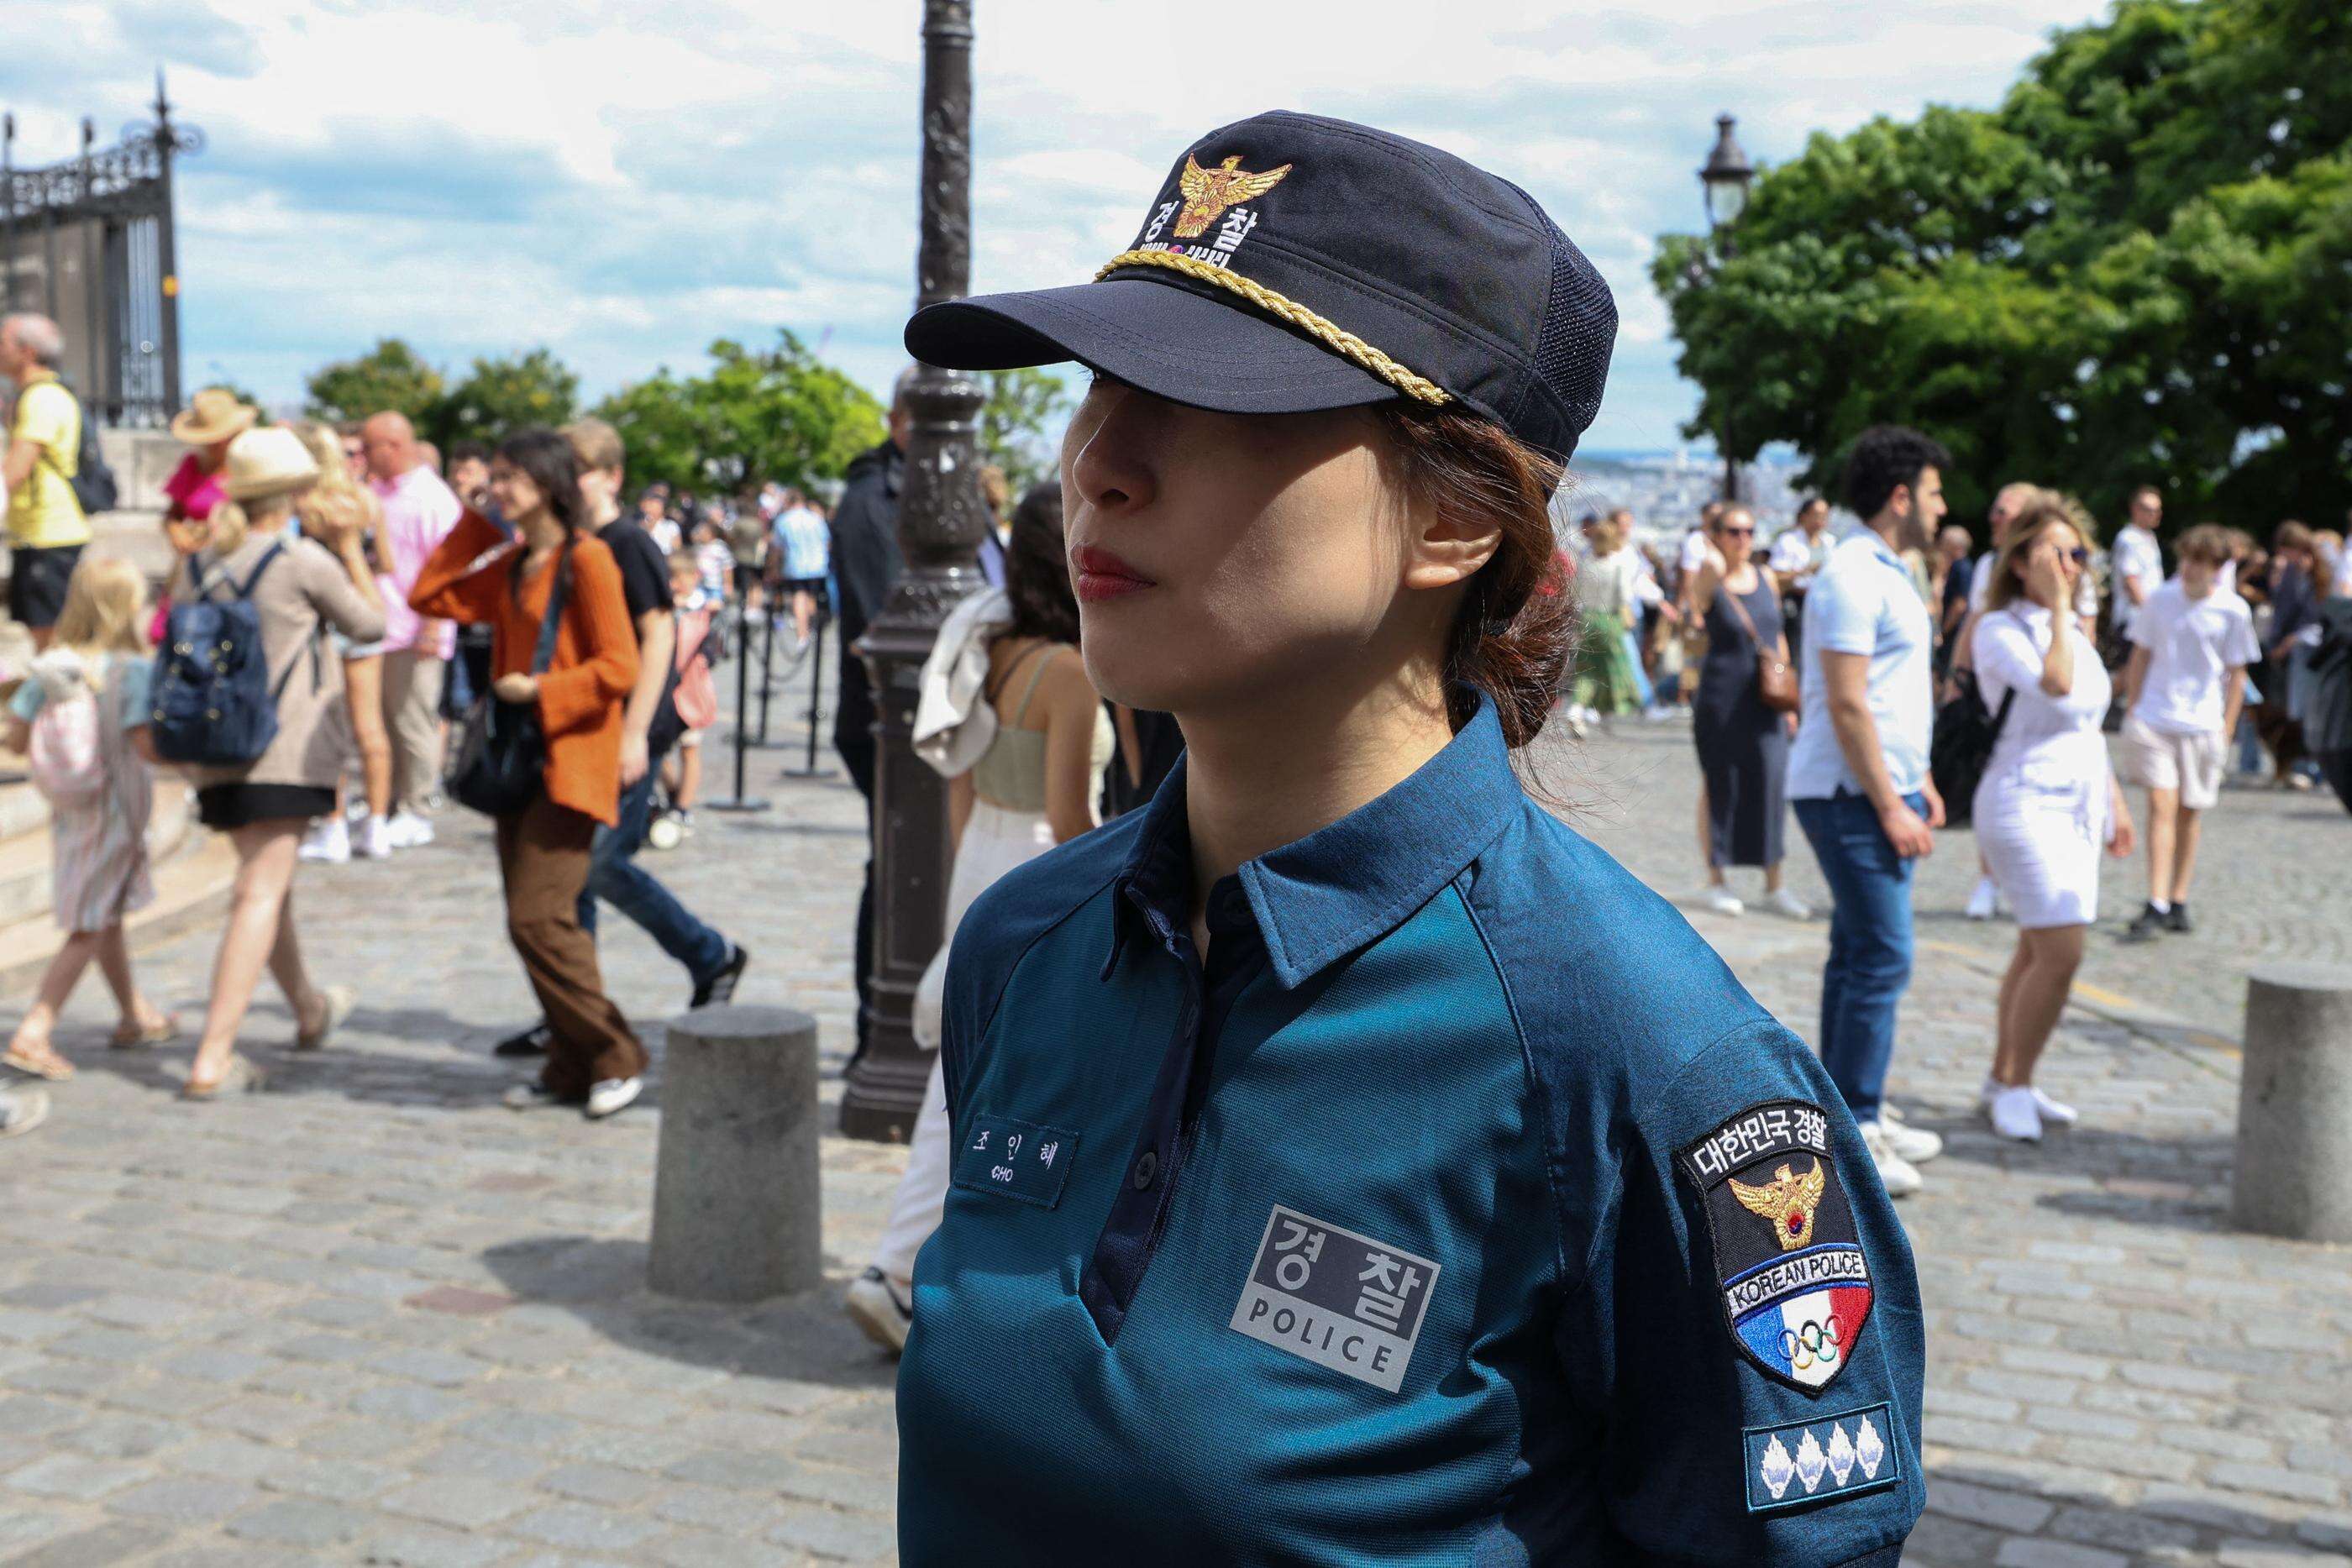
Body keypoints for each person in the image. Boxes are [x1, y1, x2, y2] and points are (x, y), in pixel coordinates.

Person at [890, 109, 1924, 1563]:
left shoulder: (1642, 1052)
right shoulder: (1033, 943)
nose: (1101, 463)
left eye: (1213, 400)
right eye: (1100, 386)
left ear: (1454, 520)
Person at [845, 479, 1111, 1355]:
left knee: (961, 1073)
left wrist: (972, 882)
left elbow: (956, 781)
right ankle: (906, 1270)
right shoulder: (1067, 673)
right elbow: (1073, 820)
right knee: (986, 1085)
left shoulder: (988, 649)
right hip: (1042, 864)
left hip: (985, 860)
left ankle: (920, 1267)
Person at [486, 422, 747, 1061]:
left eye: (577, 469)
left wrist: (636, 734)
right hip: (579, 732)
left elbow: (655, 637)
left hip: (627, 729)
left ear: (610, 476)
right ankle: (571, 1014)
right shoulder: (563, 544)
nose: (563, 480)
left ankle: (708, 954)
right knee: (572, 882)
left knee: (597, 866)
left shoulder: (622, 542)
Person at [410, 430, 648, 1118]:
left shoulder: (590, 558)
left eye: (509, 478)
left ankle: (615, 1052)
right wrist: (474, 523)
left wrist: (539, 691)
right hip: (518, 765)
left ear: (547, 483)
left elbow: (619, 665)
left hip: (569, 758)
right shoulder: (516, 561)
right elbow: (431, 595)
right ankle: (570, 1064)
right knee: (537, 921)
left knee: (538, 917)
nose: (497, 487)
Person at [176, 427, 384, 1099]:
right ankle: (213, 1055)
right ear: (296, 491)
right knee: (259, 893)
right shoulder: (301, 561)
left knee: (268, 886)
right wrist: (351, 548)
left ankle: (308, 1009)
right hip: (285, 750)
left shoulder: (199, 562)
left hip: (216, 749)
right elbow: (373, 624)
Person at [1787, 425, 1951, 1198]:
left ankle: (1854, 1115)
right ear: (1899, 496)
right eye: (1933, 490)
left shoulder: (1885, 569)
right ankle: (1857, 1117)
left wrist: (1917, 781)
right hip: (1851, 793)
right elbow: (1848, 702)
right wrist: (1892, 801)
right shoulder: (1852, 573)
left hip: (1876, 785)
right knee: (1883, 955)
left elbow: (1886, 697)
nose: (1941, 504)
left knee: (1858, 953)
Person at [1968, 494, 2134, 1142]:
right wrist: (2061, 606)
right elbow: (2058, 685)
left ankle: (2007, 1075)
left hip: (2077, 799)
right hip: (2022, 797)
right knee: (2062, 952)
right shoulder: (1999, 628)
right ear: (2023, 561)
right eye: (2059, 553)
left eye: (2079, 554)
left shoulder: (2071, 628)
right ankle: (2014, 1084)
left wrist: (2115, 801)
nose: (2072, 565)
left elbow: (2088, 723)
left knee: (2034, 947)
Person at [3, 557, 178, 1080]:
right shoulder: (132, 672)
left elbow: (14, 739)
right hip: (117, 812)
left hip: (70, 812)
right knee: (88, 925)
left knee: (105, 915)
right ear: (126, 610)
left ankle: (134, 1014)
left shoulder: (52, 665)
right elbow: (145, 746)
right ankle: (35, 1029)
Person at [2118, 524, 2260, 942]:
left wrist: (2227, 726)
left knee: (2189, 812)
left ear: (2217, 568)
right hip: (2157, 718)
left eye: (2200, 561)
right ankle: (2156, 900)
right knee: (2161, 805)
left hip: (2202, 722)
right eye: (2187, 559)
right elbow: (2141, 654)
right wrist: (2133, 709)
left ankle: (2178, 897)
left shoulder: (2233, 610)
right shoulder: (2160, 600)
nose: (2190, 568)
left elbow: (2237, 673)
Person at [832, 372, 912, 1069]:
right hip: (887, 723)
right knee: (893, 870)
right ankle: (874, 1030)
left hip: (928, 723)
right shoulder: (868, 500)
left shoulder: (937, 490)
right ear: (899, 423)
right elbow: (881, 620)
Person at [287, 422, 397, 863]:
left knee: (328, 727)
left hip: (323, 620)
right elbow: (386, 563)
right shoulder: (366, 501)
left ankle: (333, 825)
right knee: (371, 727)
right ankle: (376, 824)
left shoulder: (303, 504)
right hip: (365, 608)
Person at [1689, 506, 1805, 918]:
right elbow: (1694, 615)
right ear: (1717, 534)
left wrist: (1788, 695)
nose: (1743, 538)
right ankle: (1716, 878)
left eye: (1749, 531)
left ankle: (1775, 882)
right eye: (1734, 531)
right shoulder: (1711, 576)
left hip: (1765, 697)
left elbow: (1776, 638)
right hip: (1721, 697)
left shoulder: (1767, 577)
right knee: (1721, 783)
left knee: (1771, 782)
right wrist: (1713, 568)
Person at [363, 412, 463, 847]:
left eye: (371, 447)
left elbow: (448, 569)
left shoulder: (432, 498)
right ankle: (390, 801)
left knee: (413, 721)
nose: (365, 456)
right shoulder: (376, 491)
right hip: (377, 626)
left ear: (395, 446)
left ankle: (417, 805)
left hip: (417, 628)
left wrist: (433, 625)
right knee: (383, 722)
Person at [2, 314, 93, 652]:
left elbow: (16, 468)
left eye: (3, 343)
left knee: (51, 639)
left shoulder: (41, 398)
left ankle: (58, 706)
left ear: (27, 352)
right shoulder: (36, 395)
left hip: (48, 533)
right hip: (38, 533)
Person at [2254, 519, 2320, 789]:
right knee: (2293, 711)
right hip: (2290, 649)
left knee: (2307, 711)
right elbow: (2283, 608)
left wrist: (2291, 639)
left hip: (2313, 649)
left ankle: (2311, 767)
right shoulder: (2294, 572)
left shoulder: (2321, 570)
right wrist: (2276, 642)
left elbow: (2317, 614)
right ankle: (2297, 767)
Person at [1567, 511, 1645, 734]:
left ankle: (1578, 709)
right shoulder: (1617, 564)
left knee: (1586, 669)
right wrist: (1627, 617)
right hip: (1610, 619)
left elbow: (1576, 592)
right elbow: (1623, 597)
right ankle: (1612, 707)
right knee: (1614, 667)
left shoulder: (1585, 562)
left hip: (1587, 618)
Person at [1768, 495, 1835, 659]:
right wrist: (1806, 571)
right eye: (1817, 515)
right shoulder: (1788, 541)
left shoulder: (1829, 542)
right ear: (1804, 516)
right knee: (1796, 651)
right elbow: (1774, 575)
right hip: (1796, 603)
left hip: (1824, 603)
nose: (1821, 520)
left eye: (1825, 516)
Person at [2108, 485, 2165, 658]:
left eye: (2157, 510)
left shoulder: (2148, 537)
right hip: (2134, 620)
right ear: (2134, 509)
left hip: (2145, 618)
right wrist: (2153, 615)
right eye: (2149, 509)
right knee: (2133, 676)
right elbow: (2131, 582)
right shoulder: (2130, 539)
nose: (2154, 514)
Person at [772, 486, 832, 650]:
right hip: (817, 565)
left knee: (799, 597)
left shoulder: (783, 520)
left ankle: (803, 633)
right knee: (811, 597)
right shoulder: (816, 518)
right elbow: (827, 542)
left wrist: (774, 568)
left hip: (795, 565)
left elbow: (777, 548)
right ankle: (811, 628)